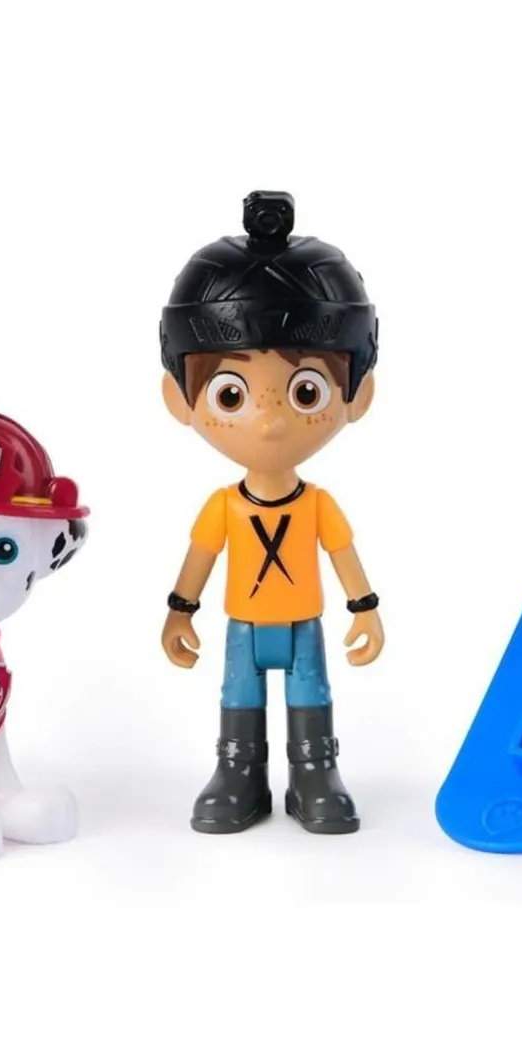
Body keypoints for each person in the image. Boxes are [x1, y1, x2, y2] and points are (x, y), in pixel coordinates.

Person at [159, 191, 384, 835]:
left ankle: (314, 770)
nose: (269, 420)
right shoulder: (224, 506)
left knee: (310, 692)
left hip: (305, 621)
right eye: (231, 394)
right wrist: (180, 611)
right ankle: (239, 771)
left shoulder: (317, 505)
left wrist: (365, 609)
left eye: (305, 391)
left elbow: (342, 555)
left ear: (357, 395)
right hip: (242, 624)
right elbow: (201, 558)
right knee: (240, 694)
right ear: (180, 400)